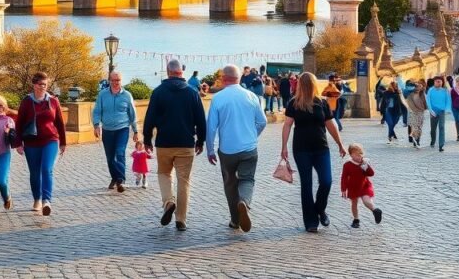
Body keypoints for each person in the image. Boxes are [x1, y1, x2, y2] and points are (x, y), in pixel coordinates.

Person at [143, 59, 207, 231]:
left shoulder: (158, 92)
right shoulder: (192, 92)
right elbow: (201, 120)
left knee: (164, 174)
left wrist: (147, 139)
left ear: (168, 71)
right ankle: (181, 220)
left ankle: (168, 202)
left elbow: (149, 118)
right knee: (183, 180)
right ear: (181, 72)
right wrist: (200, 141)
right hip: (186, 143)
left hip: (164, 143)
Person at [281, 72, 346, 233]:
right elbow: (287, 125)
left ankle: (320, 209)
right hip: (301, 149)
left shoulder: (322, 103)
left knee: (326, 181)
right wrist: (283, 147)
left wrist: (340, 143)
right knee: (306, 184)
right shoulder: (294, 103)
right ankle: (310, 222)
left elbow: (330, 124)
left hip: (321, 148)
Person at [207, 64, 267, 233]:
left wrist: (210, 149)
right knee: (247, 179)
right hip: (249, 148)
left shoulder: (218, 98)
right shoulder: (251, 96)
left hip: (227, 150)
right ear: (239, 78)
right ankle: (244, 202)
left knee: (230, 183)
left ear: (223, 78)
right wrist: (252, 135)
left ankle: (235, 220)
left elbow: (211, 127)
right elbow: (262, 122)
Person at [13, 72, 67, 216]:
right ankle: (37, 198)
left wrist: (63, 142)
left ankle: (46, 201)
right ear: (34, 85)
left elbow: (60, 122)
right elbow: (19, 123)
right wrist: (18, 143)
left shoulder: (53, 101)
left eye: (45, 84)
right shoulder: (26, 101)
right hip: (31, 142)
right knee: (35, 172)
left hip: (50, 140)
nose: (42, 87)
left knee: (47, 169)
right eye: (39, 84)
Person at [92, 71, 139, 192]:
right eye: (113, 80)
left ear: (121, 81)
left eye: (117, 80)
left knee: (120, 152)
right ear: (109, 81)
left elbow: (132, 114)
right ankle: (114, 178)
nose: (115, 82)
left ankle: (121, 180)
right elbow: (97, 111)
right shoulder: (102, 95)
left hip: (122, 129)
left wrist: (135, 131)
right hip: (107, 130)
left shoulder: (127, 95)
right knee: (110, 158)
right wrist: (96, 125)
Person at [340, 144, 382, 229]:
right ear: (351, 155)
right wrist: (343, 189)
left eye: (360, 154)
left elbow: (371, 174)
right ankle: (356, 220)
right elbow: (344, 177)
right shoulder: (347, 165)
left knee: (366, 201)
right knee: (354, 203)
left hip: (364, 185)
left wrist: (366, 166)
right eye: (356, 155)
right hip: (353, 187)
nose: (359, 156)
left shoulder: (364, 163)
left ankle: (375, 210)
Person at [426, 77, 451, 152]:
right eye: (437, 81)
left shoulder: (445, 91)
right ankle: (433, 140)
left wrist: (447, 109)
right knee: (433, 129)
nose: (439, 83)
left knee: (442, 127)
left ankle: (441, 145)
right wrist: (431, 111)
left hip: (442, 112)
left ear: (442, 82)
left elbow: (448, 100)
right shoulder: (430, 90)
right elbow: (428, 101)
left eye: (440, 81)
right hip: (433, 111)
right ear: (434, 82)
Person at [405, 80, 428, 149]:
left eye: (420, 87)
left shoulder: (422, 94)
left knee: (419, 127)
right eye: (417, 87)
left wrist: (425, 108)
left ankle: (418, 140)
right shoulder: (410, 94)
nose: (418, 88)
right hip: (413, 112)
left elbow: (425, 102)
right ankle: (415, 140)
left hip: (421, 112)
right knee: (415, 127)